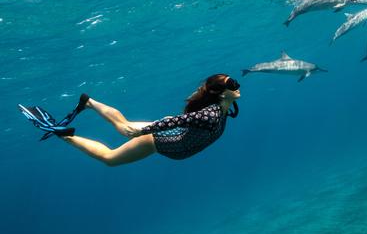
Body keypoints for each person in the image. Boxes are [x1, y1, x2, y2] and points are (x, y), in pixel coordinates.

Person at [18, 74, 240, 166]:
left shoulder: (224, 105)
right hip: (164, 141)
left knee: (124, 126)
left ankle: (89, 102)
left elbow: (183, 120)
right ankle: (65, 135)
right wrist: (146, 132)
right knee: (110, 158)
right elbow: (177, 122)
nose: (237, 87)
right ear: (222, 93)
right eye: (232, 85)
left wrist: (157, 126)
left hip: (173, 136)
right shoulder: (211, 113)